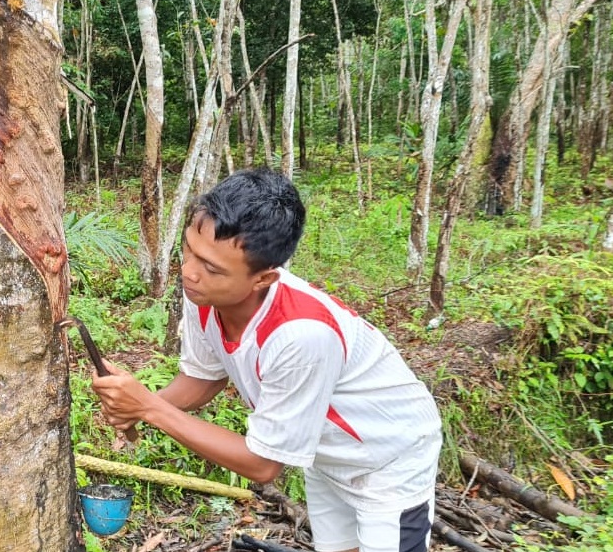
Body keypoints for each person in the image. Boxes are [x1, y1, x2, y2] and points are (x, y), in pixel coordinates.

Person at [91, 168, 442, 552]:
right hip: (327, 452)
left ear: (264, 279)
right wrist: (138, 404)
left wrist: (149, 408)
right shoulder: (207, 296)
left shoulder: (301, 335)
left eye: (211, 268)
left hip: (388, 457)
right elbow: (205, 379)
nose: (189, 272)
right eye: (189, 249)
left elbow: (263, 464)